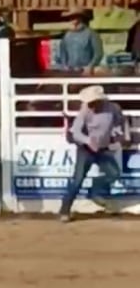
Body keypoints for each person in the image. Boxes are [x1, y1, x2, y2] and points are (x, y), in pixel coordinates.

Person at [59, 85, 125, 223]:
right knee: (77, 180)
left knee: (114, 173)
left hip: (103, 148)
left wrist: (118, 134)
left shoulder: (113, 109)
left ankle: (95, 191)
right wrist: (88, 140)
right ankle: (65, 210)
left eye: (93, 102)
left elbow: (119, 123)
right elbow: (75, 132)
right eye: (90, 103)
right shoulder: (85, 111)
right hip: (86, 150)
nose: (91, 105)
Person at [55, 7, 103, 74]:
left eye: (76, 18)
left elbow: (98, 54)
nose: (74, 21)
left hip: (86, 72)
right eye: (72, 18)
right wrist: (64, 66)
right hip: (70, 71)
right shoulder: (67, 36)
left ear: (82, 19)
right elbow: (62, 53)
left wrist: (90, 66)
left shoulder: (92, 34)